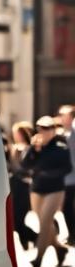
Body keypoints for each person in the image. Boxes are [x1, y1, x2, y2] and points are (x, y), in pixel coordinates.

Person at [20, 115, 73, 267]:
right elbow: (25, 165)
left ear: (53, 130)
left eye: (48, 128)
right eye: (41, 128)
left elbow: (67, 168)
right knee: (46, 224)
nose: (44, 131)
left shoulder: (61, 146)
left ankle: (38, 260)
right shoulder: (36, 145)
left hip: (55, 189)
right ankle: (59, 249)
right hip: (37, 189)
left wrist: (49, 174)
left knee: (45, 223)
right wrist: (33, 149)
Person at [8, 121, 36, 250]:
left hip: (24, 188)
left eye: (17, 133)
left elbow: (29, 169)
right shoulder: (13, 148)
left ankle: (37, 238)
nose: (15, 136)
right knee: (14, 220)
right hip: (14, 187)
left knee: (17, 219)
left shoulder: (29, 149)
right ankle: (30, 240)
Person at [58, 104, 75, 246]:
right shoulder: (61, 135)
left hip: (72, 178)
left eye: (65, 115)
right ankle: (71, 235)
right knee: (66, 208)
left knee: (69, 208)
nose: (62, 118)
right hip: (65, 179)